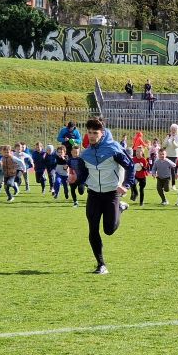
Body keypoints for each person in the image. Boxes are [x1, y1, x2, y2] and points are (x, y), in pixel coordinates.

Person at [77, 117, 136, 275]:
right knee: (93, 228)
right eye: (89, 132)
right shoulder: (85, 154)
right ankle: (101, 264)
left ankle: (120, 207)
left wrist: (126, 185)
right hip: (94, 194)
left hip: (112, 194)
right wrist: (78, 181)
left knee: (109, 230)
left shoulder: (114, 149)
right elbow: (83, 174)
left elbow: (130, 167)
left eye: (95, 133)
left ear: (102, 133)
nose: (91, 136)